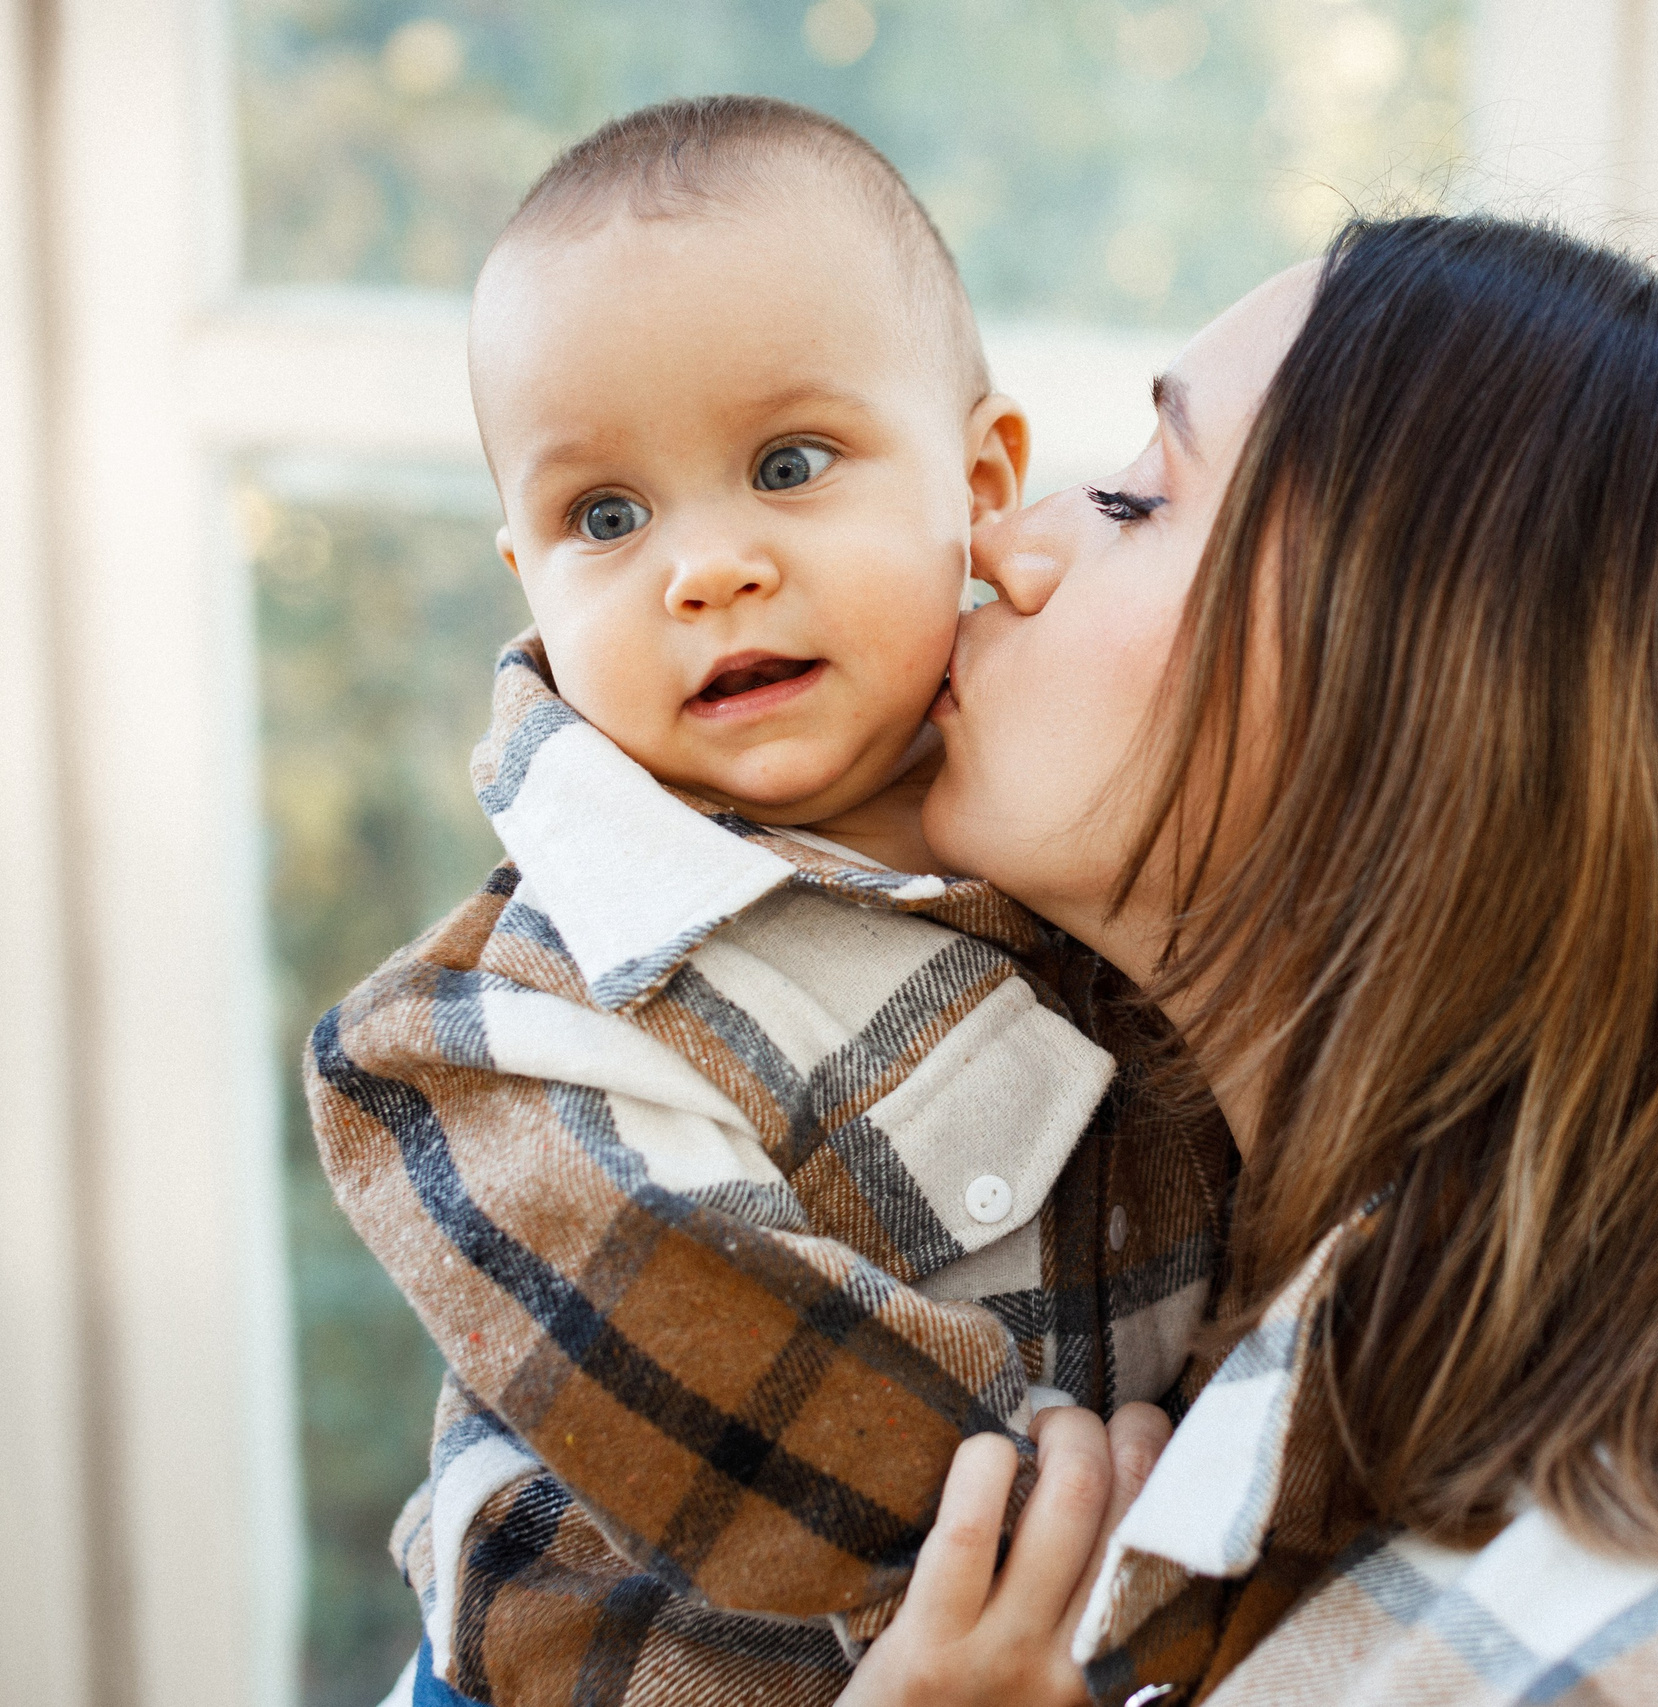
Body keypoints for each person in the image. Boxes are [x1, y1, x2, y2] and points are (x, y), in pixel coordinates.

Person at [863, 214, 1658, 1704]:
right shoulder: (1225, 1387)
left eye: (1140, 500)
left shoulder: (1647, 1663)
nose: (1005, 542)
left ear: (1433, 713)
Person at [307, 96, 1225, 1707]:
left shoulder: (1078, 826)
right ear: (530, 578)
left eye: (789, 466)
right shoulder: (517, 1012)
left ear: (981, 479)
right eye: (606, 518)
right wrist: (1151, 1560)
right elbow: (759, 1398)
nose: (705, 570)